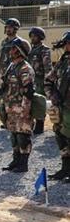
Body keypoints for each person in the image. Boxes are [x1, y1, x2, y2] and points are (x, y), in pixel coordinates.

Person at [1, 38, 35, 173]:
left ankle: (23, 164)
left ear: (20, 51)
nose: (11, 50)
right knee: (14, 135)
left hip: (22, 108)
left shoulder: (25, 68)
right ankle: (16, 160)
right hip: (11, 107)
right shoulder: (12, 66)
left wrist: (25, 111)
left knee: (23, 137)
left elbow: (28, 91)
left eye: (14, 48)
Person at [44, 31, 70, 182]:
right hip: (61, 107)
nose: (65, 46)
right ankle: (65, 168)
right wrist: (52, 95)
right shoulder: (63, 61)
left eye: (67, 43)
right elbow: (49, 81)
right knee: (60, 135)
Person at [27, 27, 52, 135]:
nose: (32, 38)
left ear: (40, 37)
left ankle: (40, 126)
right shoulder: (31, 50)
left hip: (40, 81)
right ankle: (31, 124)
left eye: (35, 36)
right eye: (31, 36)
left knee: (39, 103)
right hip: (31, 80)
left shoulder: (44, 50)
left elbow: (47, 67)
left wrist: (47, 82)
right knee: (30, 102)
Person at [0, 18, 23, 88]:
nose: (8, 29)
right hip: (5, 74)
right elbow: (0, 56)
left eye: (10, 27)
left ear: (15, 29)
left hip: (16, 74)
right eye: (7, 27)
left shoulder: (20, 42)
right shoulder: (3, 42)